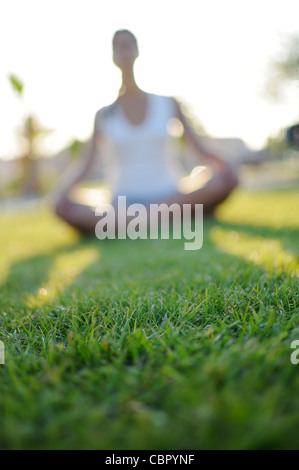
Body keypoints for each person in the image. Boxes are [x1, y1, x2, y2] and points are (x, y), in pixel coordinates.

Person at [54, 29, 238, 234]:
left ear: (137, 51)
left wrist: (228, 166)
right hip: (123, 204)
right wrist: (61, 193)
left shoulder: (168, 103)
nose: (124, 52)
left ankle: (135, 223)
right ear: (113, 56)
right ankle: (160, 219)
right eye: (118, 47)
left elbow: (200, 149)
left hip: (171, 196)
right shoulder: (104, 115)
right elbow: (85, 166)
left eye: (128, 45)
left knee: (221, 181)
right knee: (68, 208)